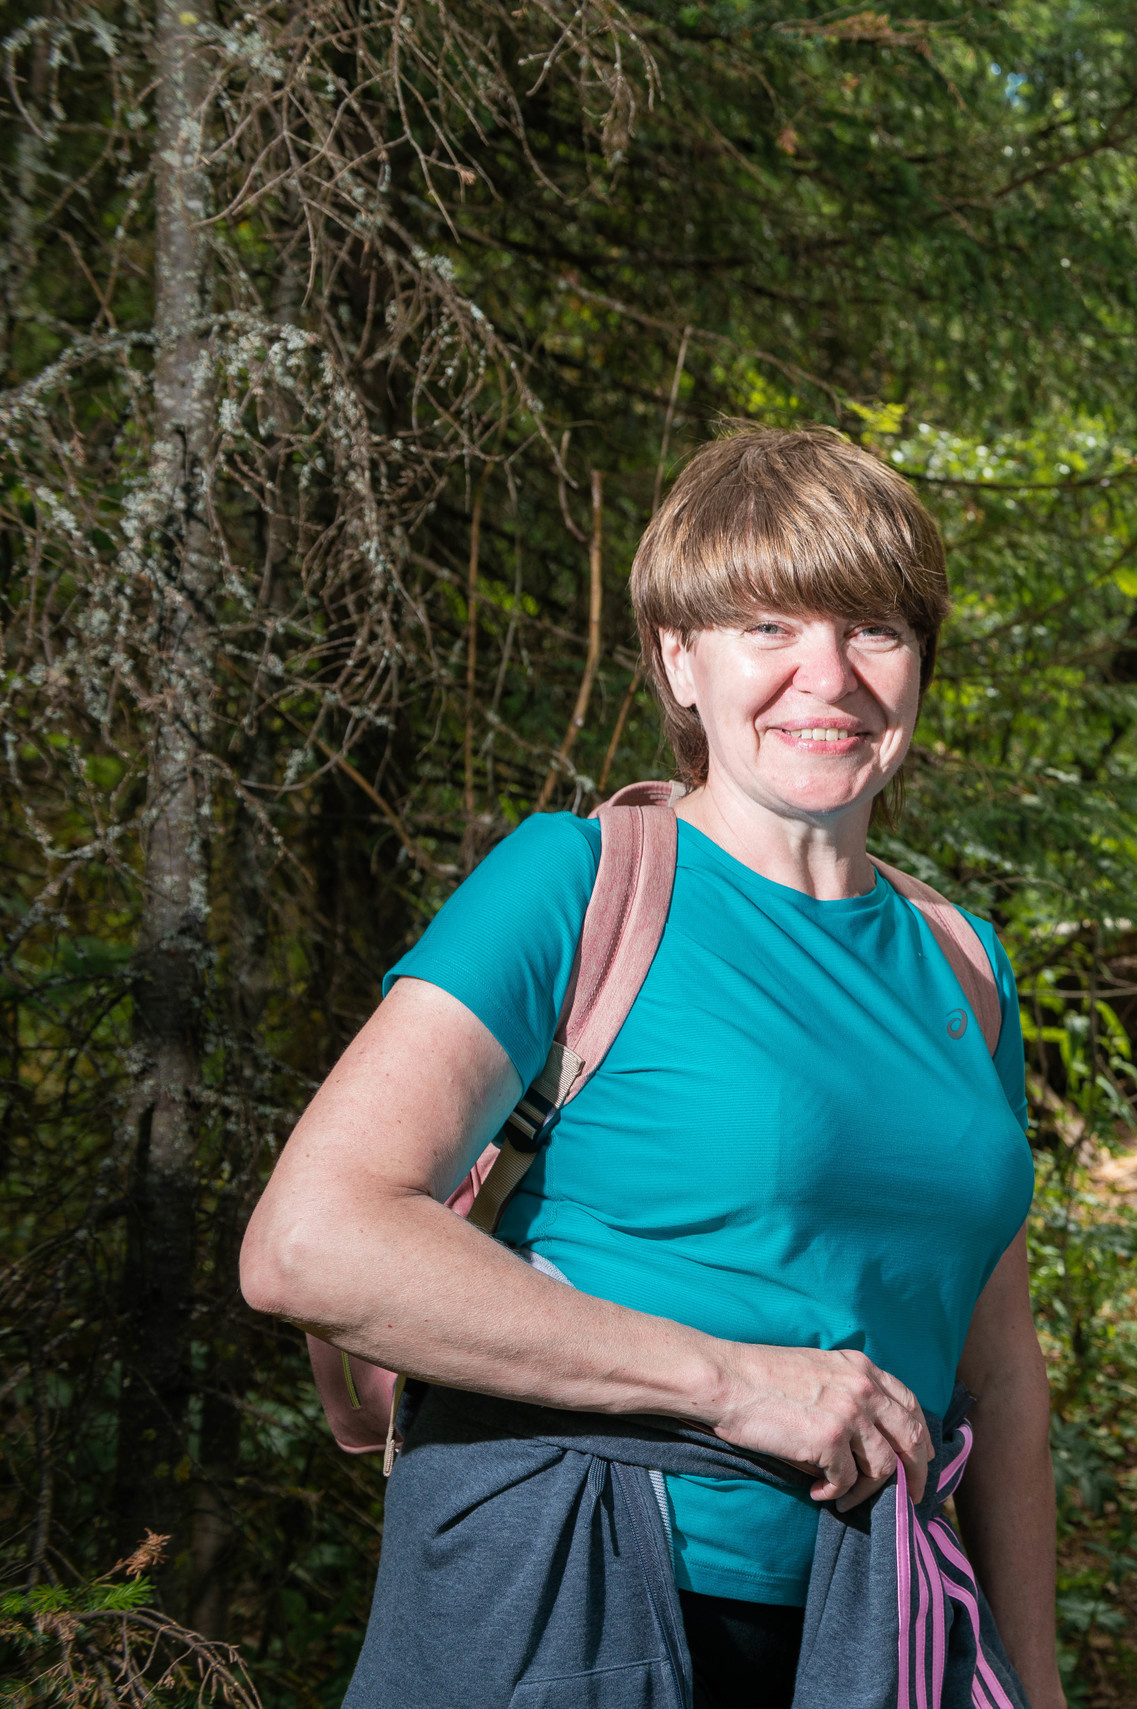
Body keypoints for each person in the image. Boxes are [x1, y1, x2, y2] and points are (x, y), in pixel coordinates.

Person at [241, 428, 1063, 1709]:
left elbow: (996, 1370)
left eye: (874, 629)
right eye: (767, 626)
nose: (827, 676)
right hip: (566, 1581)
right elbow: (308, 1241)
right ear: (680, 657)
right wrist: (732, 1381)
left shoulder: (962, 963)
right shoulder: (577, 885)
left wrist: (1035, 1677)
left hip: (871, 1624)